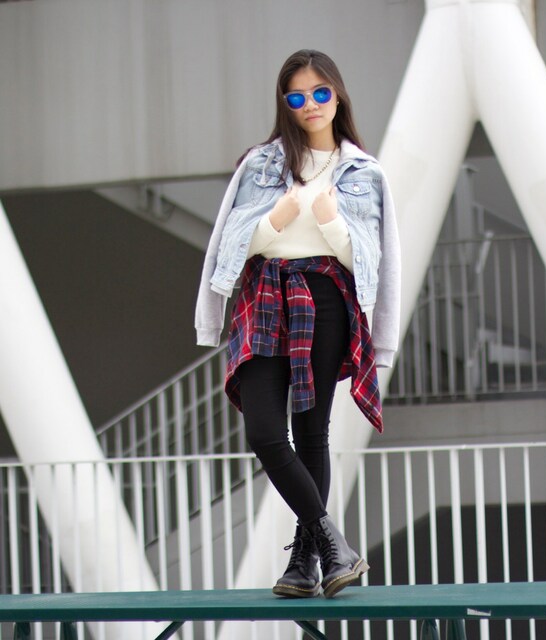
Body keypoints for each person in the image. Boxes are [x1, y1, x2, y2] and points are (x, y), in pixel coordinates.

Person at [195, 49, 400, 598]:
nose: (310, 104)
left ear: (338, 95)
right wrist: (272, 222)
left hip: (326, 298)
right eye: (297, 96)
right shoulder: (259, 165)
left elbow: (372, 262)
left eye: (320, 93)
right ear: (284, 103)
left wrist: (331, 224)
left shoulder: (364, 172)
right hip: (265, 295)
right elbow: (230, 247)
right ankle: (333, 543)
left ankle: (306, 562)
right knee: (264, 432)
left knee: (312, 432)